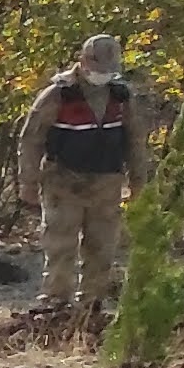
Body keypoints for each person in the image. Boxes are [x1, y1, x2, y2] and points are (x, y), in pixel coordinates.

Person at [30, 38, 134, 315]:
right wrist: (27, 181)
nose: (103, 73)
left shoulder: (122, 97)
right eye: (99, 65)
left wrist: (140, 184)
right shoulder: (58, 94)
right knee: (60, 243)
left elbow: (136, 143)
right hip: (63, 181)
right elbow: (31, 139)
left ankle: (93, 301)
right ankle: (56, 300)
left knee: (103, 244)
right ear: (83, 61)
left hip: (106, 183)